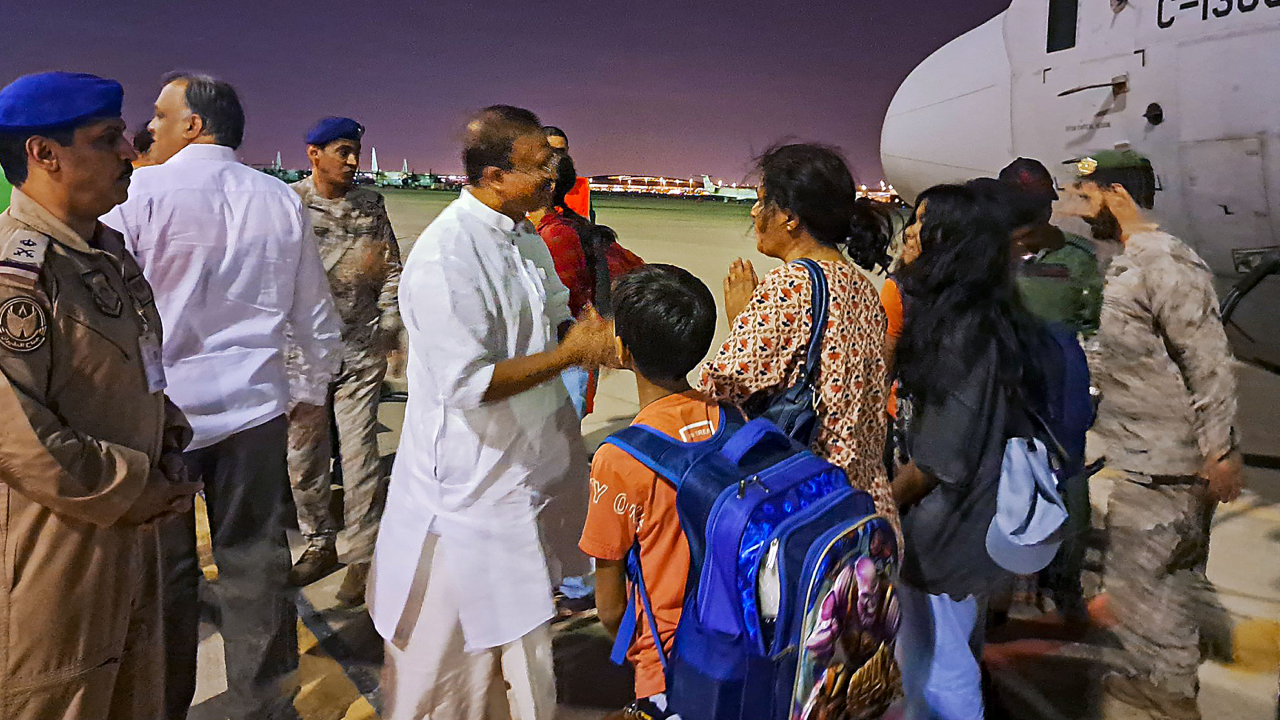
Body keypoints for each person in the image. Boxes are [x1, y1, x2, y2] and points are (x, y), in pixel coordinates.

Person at [104, 73, 342, 720]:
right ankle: (265, 704)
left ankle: (162, 702)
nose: (149, 124)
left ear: (193, 124)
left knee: (164, 580)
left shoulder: (136, 194)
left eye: (161, 112)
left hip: (161, 417)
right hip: (254, 414)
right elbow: (314, 316)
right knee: (257, 566)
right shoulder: (277, 200)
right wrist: (309, 396)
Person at [369, 105, 616, 720]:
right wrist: (569, 354)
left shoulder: (526, 235)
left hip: (524, 472)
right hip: (466, 491)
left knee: (525, 648)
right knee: (445, 663)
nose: (555, 173)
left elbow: (557, 312)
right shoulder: (447, 257)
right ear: (494, 173)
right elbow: (467, 383)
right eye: (541, 163)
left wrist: (593, 335)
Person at [0, 71, 201, 720]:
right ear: (43, 153)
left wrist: (170, 441)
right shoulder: (18, 272)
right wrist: (131, 485)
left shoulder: (108, 252)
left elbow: (141, 371)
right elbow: (16, 431)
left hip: (130, 534)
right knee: (60, 691)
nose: (129, 152)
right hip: (55, 551)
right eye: (109, 137)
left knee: (134, 691)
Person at [1064, 159, 1242, 720]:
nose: (1077, 206)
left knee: (1147, 588)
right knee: (1170, 583)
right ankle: (1169, 681)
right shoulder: (1131, 262)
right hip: (1149, 455)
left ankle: (1167, 698)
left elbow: (1208, 359)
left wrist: (1220, 450)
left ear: (1116, 194)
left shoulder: (1163, 261)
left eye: (1085, 195)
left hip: (1167, 463)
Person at [889, 183, 1055, 720]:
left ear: (951, 243)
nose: (908, 233)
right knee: (950, 652)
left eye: (921, 224)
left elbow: (939, 461)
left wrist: (877, 505)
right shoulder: (976, 312)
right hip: (967, 527)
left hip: (946, 532)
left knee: (938, 670)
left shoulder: (961, 332)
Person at [696, 143, 896, 524]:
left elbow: (718, 390)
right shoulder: (861, 287)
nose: (754, 213)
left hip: (807, 513)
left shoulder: (793, 284)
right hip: (867, 512)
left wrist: (741, 319)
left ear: (789, 216)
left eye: (761, 201)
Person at [578, 264, 720, 720]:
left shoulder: (619, 459)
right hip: (732, 639)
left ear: (622, 349)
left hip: (671, 664)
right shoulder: (730, 419)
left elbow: (610, 607)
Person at [284, 116, 403, 607]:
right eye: (342, 151)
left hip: (360, 347)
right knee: (304, 458)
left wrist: (391, 325)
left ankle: (361, 557)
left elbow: (393, 268)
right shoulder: (288, 204)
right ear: (314, 154)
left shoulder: (370, 204)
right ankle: (317, 543)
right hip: (303, 354)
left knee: (360, 458)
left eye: (356, 151)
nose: (352, 161)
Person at [536, 153, 643, 417]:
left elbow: (558, 305)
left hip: (563, 356)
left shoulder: (556, 235)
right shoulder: (543, 230)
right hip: (560, 356)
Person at [999, 158, 1103, 339]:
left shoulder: (1078, 255)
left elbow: (1092, 323)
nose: (1034, 212)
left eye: (1040, 204)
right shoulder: (985, 252)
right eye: (1023, 206)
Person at [543, 125, 592, 220]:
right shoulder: (516, 184)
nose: (555, 155)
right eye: (549, 150)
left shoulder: (580, 187)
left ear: (567, 150)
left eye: (560, 151)